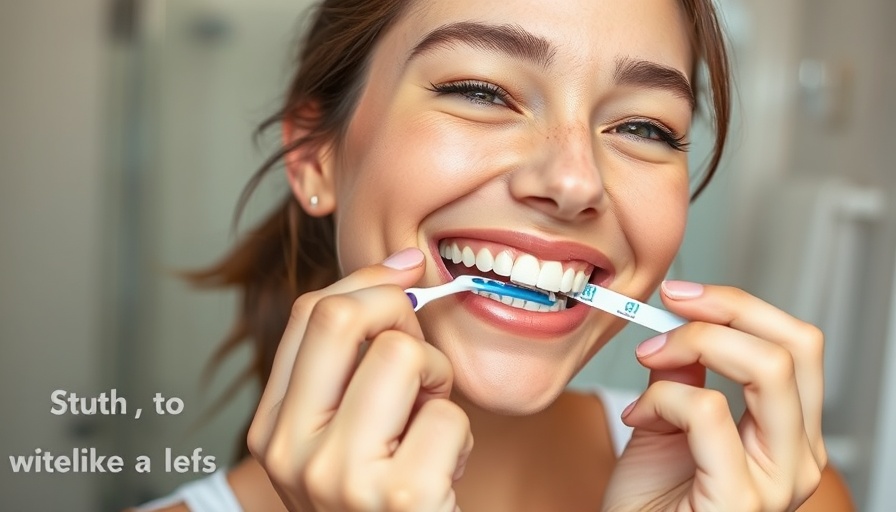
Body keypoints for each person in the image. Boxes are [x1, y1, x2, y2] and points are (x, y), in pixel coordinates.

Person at [134, 0, 855, 510]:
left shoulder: (778, 494)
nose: (576, 182)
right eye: (481, 91)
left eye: (643, 126)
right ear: (314, 156)